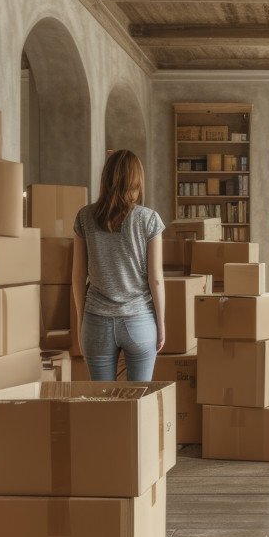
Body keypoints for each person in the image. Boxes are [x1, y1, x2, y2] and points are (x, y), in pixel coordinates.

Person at [71, 149, 166, 382]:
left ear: (106, 179)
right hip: (139, 321)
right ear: (137, 180)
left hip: (96, 320)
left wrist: (81, 320)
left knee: (104, 406)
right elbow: (155, 279)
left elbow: (77, 275)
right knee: (138, 405)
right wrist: (161, 323)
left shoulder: (85, 217)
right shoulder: (149, 219)